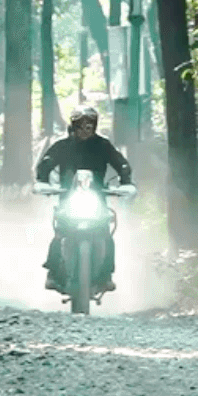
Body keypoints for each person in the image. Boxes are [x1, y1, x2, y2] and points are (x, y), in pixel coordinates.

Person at [37, 105, 131, 293]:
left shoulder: (103, 145)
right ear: (73, 126)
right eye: (80, 125)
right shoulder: (62, 146)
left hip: (97, 200)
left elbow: (121, 163)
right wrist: (43, 181)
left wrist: (126, 181)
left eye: (89, 125)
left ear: (95, 126)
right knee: (59, 233)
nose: (85, 130)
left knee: (106, 236)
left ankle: (106, 277)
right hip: (68, 199)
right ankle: (53, 274)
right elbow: (45, 164)